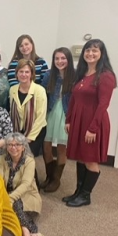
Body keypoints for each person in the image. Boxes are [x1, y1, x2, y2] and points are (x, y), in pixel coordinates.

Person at [64, 39, 116, 207]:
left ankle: (86, 195)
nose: (90, 54)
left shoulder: (106, 76)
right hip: (78, 121)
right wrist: (69, 119)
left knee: (90, 159)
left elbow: (103, 105)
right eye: (87, 50)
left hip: (93, 122)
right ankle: (78, 191)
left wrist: (93, 128)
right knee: (80, 157)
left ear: (102, 54)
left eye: (95, 51)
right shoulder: (82, 73)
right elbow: (73, 99)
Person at [0, 133, 47, 236]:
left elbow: (26, 184)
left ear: (23, 147)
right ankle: (32, 235)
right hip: (7, 196)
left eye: (17, 144)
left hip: (28, 196)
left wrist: (10, 198)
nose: (13, 147)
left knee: (15, 204)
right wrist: (3, 197)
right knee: (12, 206)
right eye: (10, 145)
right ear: (6, 147)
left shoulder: (29, 161)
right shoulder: (2, 159)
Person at [39, 47, 76, 192]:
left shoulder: (75, 76)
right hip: (50, 111)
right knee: (46, 145)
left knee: (61, 147)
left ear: (68, 59)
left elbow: (77, 100)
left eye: (63, 58)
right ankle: (49, 176)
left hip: (66, 114)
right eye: (57, 58)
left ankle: (56, 179)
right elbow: (42, 94)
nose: (60, 61)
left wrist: (72, 119)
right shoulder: (49, 75)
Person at [9, 58, 47, 157]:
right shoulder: (12, 90)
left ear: (31, 74)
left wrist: (29, 138)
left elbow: (41, 117)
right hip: (18, 130)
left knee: (27, 157)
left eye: (27, 72)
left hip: (36, 130)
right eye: (21, 71)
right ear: (17, 73)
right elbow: (12, 113)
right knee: (17, 157)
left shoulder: (39, 90)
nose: (24, 74)